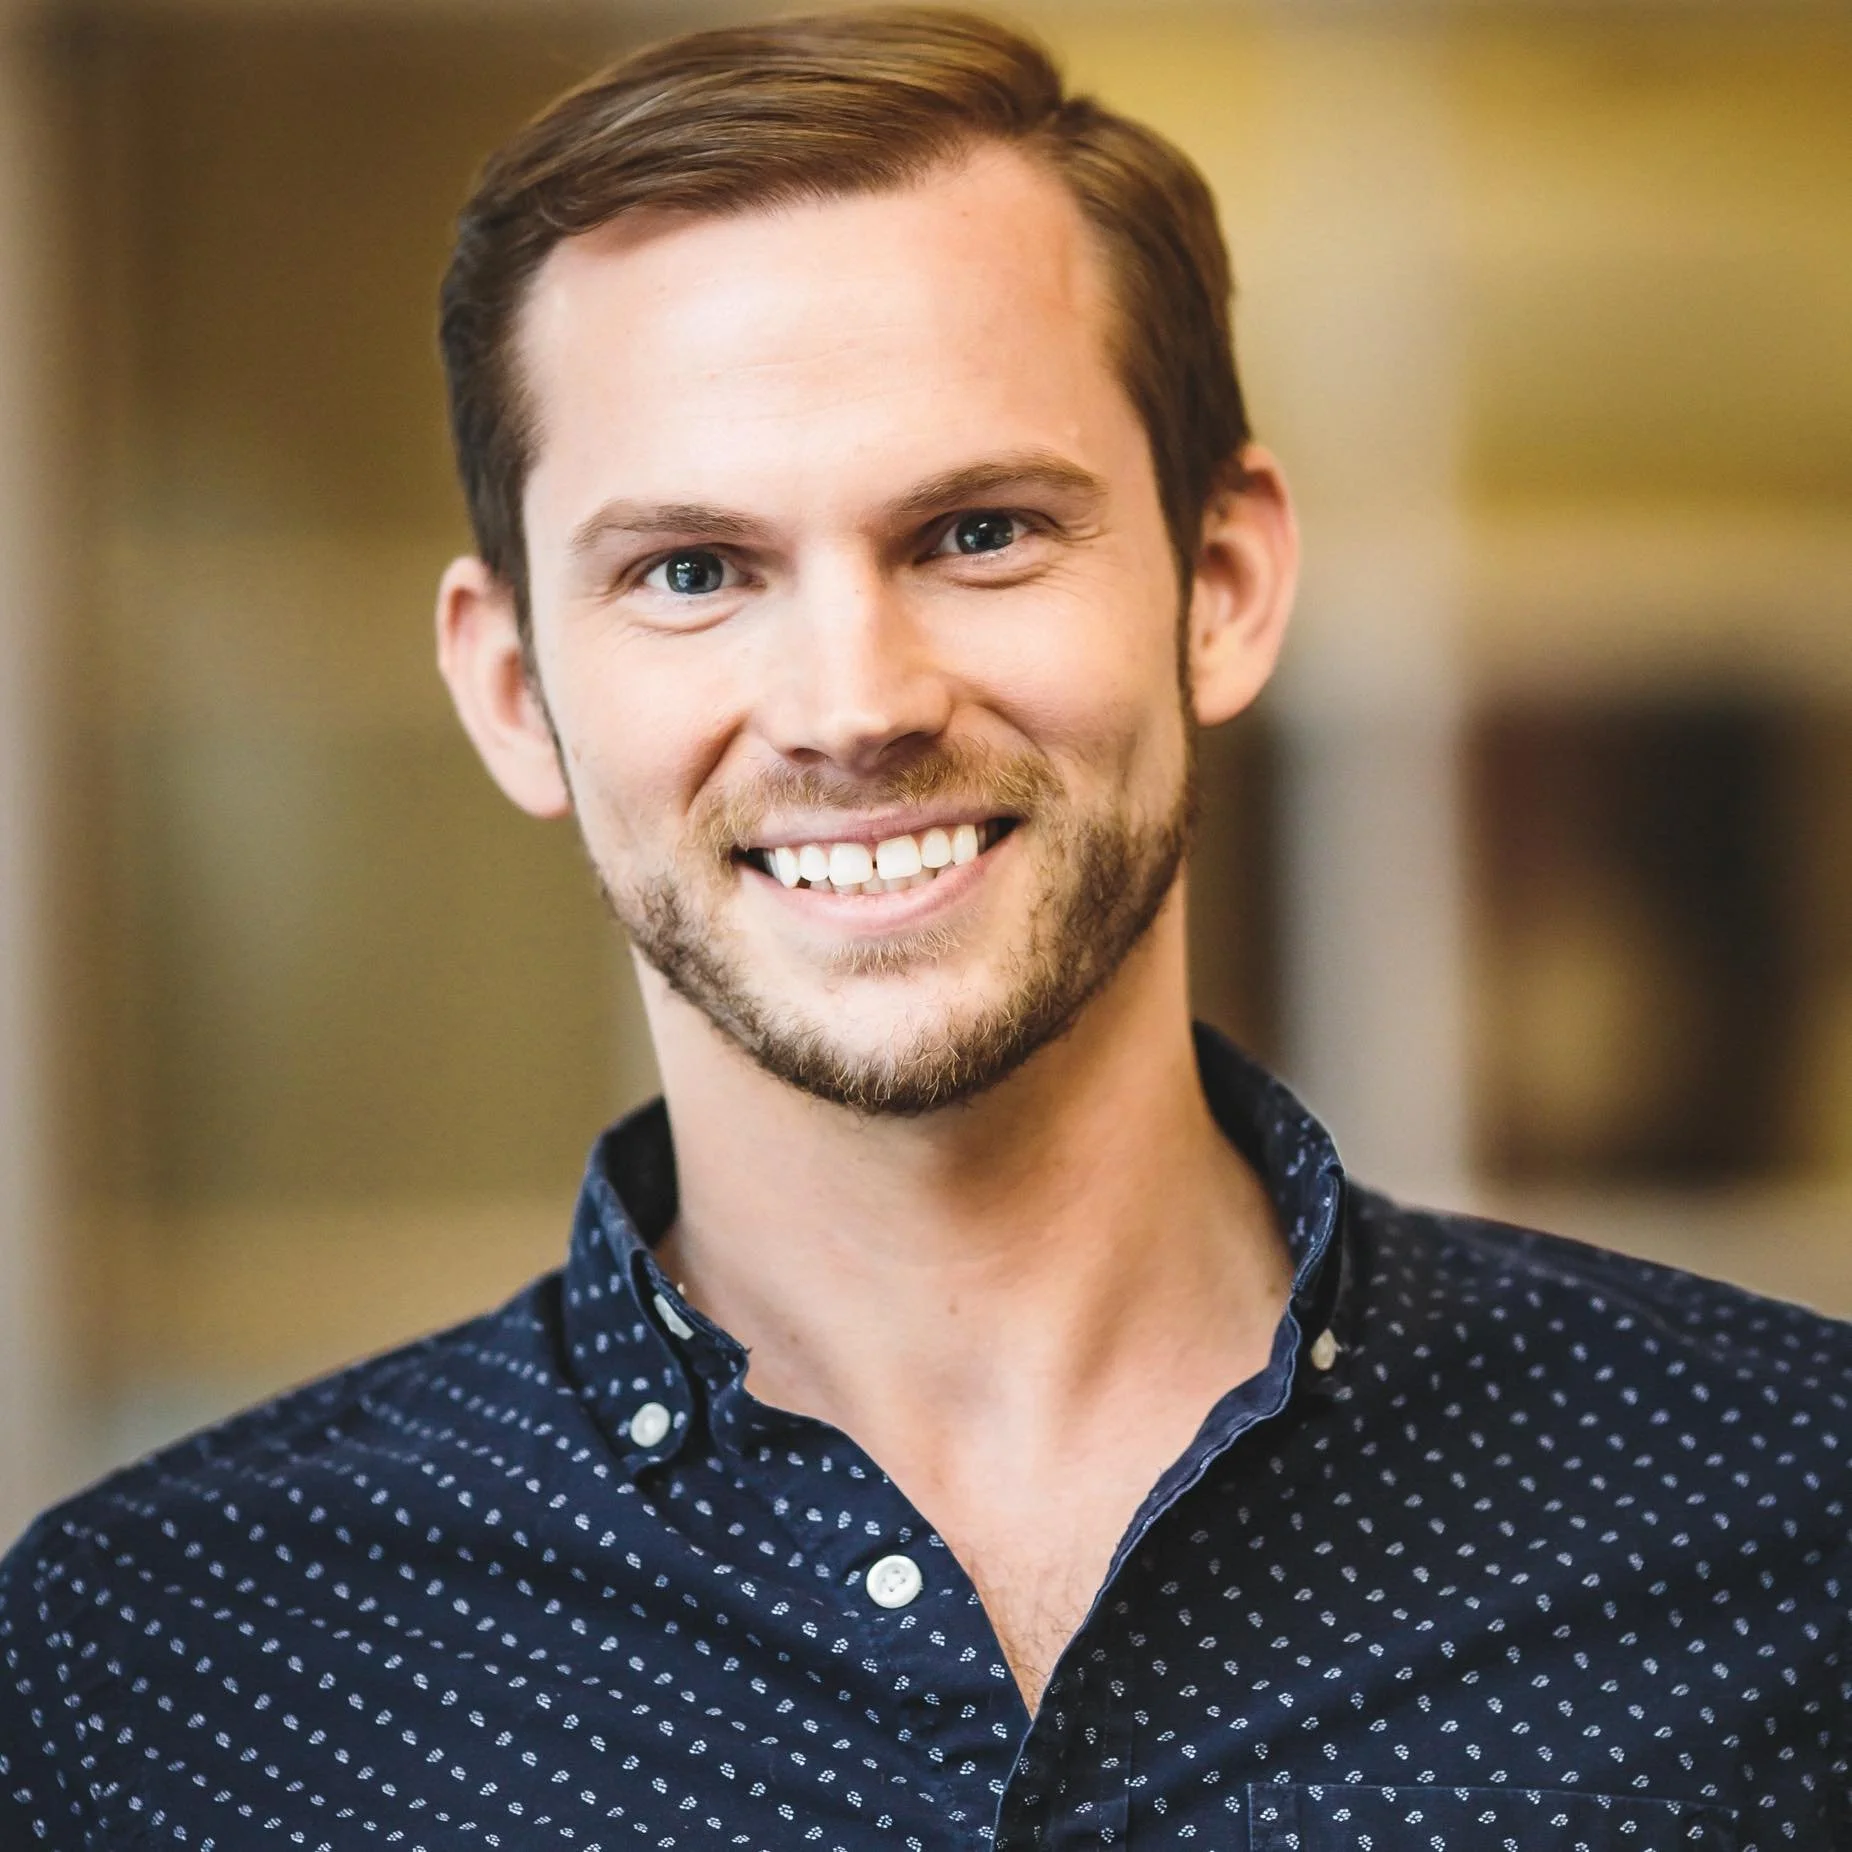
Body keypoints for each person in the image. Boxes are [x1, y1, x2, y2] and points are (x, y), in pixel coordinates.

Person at [3, 8, 1846, 1846]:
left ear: (1221, 584)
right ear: (509, 687)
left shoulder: (1793, 1521)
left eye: (977, 533)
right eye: (693, 572)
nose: (851, 704)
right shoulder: (153, 1672)